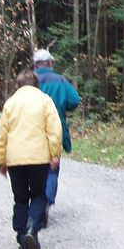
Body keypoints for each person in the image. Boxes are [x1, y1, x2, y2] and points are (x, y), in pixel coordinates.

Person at [0, 70, 62, 249]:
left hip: (15, 160)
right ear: (36, 83)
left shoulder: (10, 103)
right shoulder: (45, 101)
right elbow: (54, 129)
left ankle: (22, 238)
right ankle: (32, 227)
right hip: (39, 158)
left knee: (20, 198)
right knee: (39, 195)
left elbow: (1, 135)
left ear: (18, 84)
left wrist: (1, 160)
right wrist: (55, 153)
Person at [33, 48, 81, 226]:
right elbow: (75, 100)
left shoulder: (29, 80)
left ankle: (36, 203)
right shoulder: (60, 80)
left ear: (35, 64)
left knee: (34, 167)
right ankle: (45, 202)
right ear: (51, 63)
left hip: (32, 130)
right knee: (52, 168)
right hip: (56, 129)